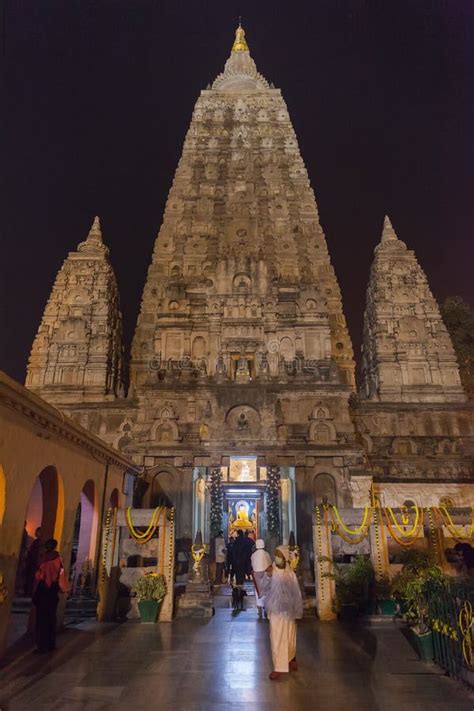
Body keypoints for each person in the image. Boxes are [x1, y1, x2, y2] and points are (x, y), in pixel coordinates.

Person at [261, 546, 303, 680]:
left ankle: (290, 658)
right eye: (276, 555)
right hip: (276, 610)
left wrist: (297, 612)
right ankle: (279, 667)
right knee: (277, 638)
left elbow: (296, 593)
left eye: (279, 555)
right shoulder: (271, 571)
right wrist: (267, 577)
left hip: (289, 610)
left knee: (290, 636)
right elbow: (263, 587)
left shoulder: (290, 574)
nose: (277, 557)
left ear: (284, 558)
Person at [32, 538, 64, 653]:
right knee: (51, 617)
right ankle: (51, 643)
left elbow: (39, 576)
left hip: (44, 588)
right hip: (53, 590)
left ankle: (42, 645)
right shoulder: (59, 559)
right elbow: (61, 574)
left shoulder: (43, 559)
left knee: (41, 618)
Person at [251, 539, 272, 618]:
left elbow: (252, 564)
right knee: (266, 590)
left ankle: (259, 607)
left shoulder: (253, 555)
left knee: (258, 591)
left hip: (256, 575)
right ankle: (266, 607)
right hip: (266, 574)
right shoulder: (266, 554)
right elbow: (270, 563)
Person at [25, 527, 42, 596]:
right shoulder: (36, 541)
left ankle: (30, 592)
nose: (35, 533)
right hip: (32, 563)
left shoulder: (38, 542)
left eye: (37, 531)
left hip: (34, 563)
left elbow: (34, 553)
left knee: (31, 579)